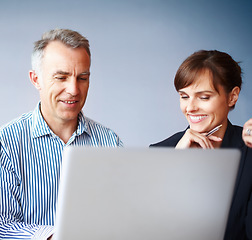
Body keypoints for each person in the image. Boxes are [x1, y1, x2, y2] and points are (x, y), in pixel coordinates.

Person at [0, 29, 123, 239]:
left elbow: (123, 216)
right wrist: (54, 236)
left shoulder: (110, 142)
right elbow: (3, 225)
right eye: (61, 77)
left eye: (82, 78)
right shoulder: (7, 143)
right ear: (36, 79)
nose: (74, 89)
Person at [150, 50, 252, 239]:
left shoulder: (249, 152)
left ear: (232, 96)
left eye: (204, 97)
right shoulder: (159, 153)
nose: (190, 108)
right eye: (184, 96)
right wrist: (174, 164)